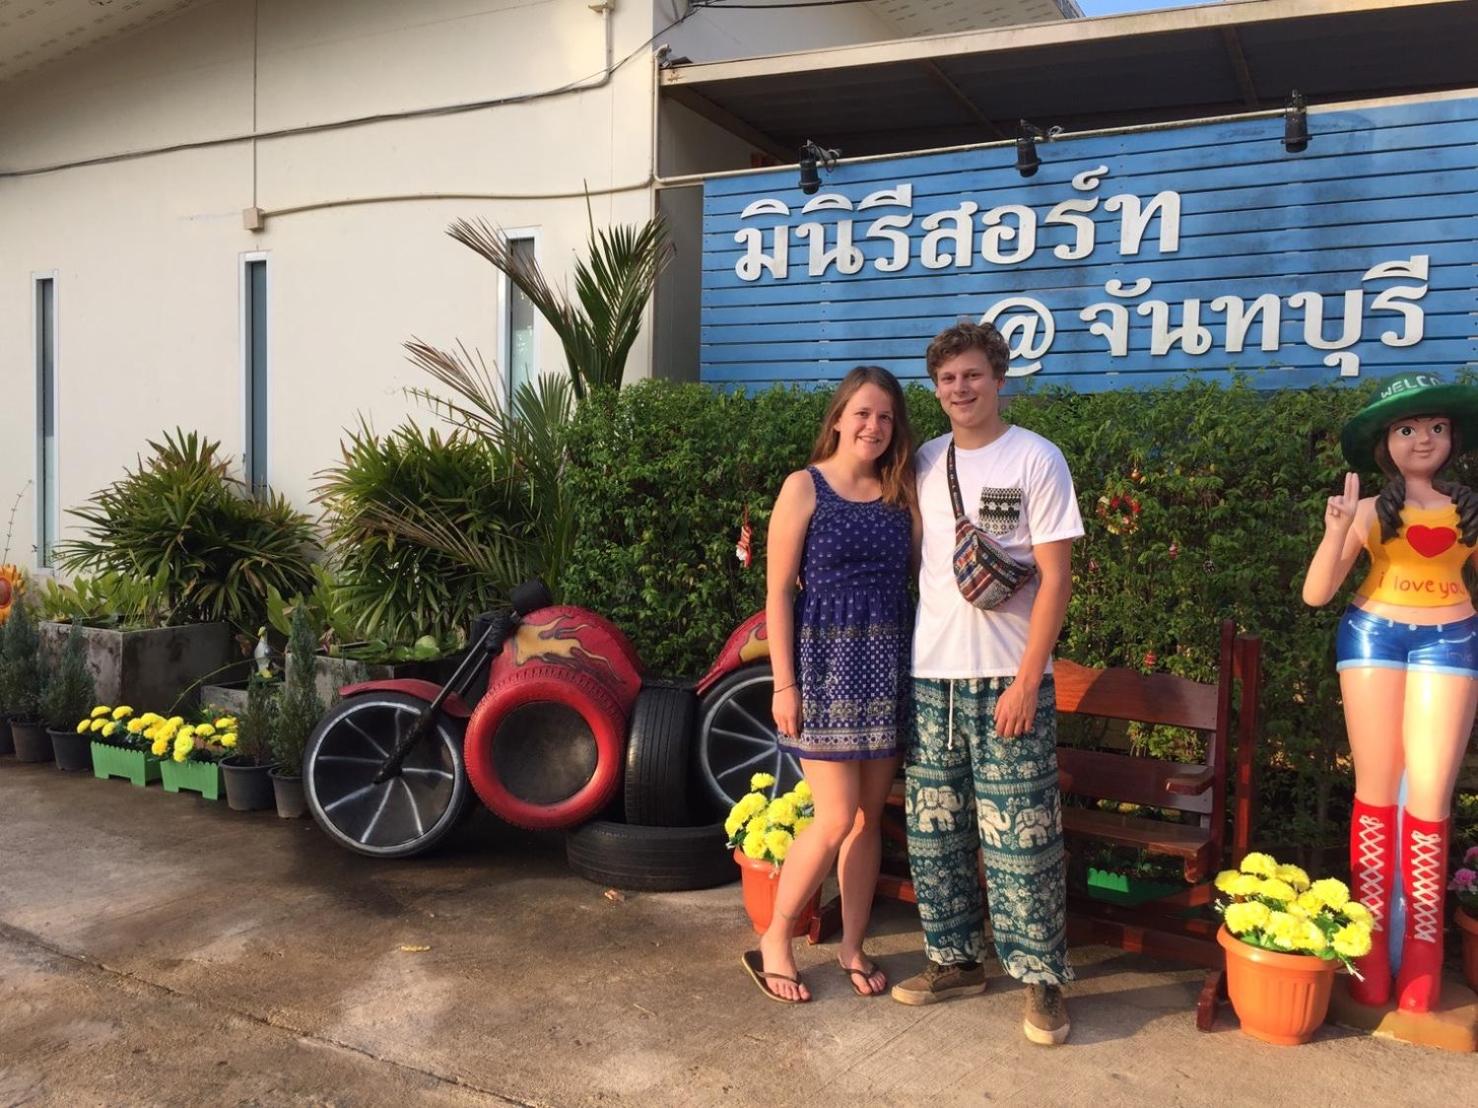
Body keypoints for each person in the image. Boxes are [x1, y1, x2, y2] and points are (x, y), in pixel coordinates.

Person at [889, 321, 1082, 1047]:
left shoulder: (1036, 457)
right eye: (947, 379)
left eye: (972, 375)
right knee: (934, 834)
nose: (960, 388)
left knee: (1022, 840)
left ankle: (1042, 979)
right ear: (936, 389)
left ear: (999, 378)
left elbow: (1057, 578)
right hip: (931, 677)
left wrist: (1028, 681)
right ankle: (955, 960)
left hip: (1008, 677)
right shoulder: (924, 462)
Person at [740, 365, 919, 1004]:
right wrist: (783, 685)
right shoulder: (804, 486)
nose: (874, 426)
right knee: (837, 815)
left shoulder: (901, 491)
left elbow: (921, 576)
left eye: (886, 417)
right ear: (839, 418)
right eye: (863, 413)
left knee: (868, 818)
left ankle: (853, 945)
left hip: (887, 666)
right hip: (825, 670)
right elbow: (778, 594)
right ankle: (776, 936)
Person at [1302, 370, 1478, 1013]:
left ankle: (1425, 951)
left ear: (1452, 438)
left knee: (1430, 792)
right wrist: (1335, 529)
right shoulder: (1369, 510)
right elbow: (1317, 593)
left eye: (1435, 427)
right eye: (1407, 429)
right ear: (1386, 443)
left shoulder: (1469, 510)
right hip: (1373, 636)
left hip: (1452, 641)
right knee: (1375, 788)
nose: (1422, 439)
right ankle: (1369, 942)